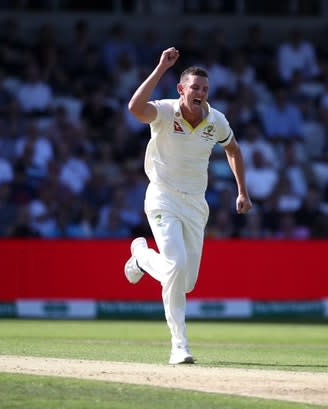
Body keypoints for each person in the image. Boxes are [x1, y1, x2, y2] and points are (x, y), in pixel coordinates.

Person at [124, 47, 253, 365]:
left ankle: (141, 256)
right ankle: (179, 345)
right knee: (176, 266)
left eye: (205, 89)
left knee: (186, 281)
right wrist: (160, 69)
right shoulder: (166, 112)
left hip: (196, 204)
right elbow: (134, 108)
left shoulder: (216, 120)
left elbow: (233, 150)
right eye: (195, 87)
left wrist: (242, 191)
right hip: (162, 196)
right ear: (181, 89)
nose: (201, 93)